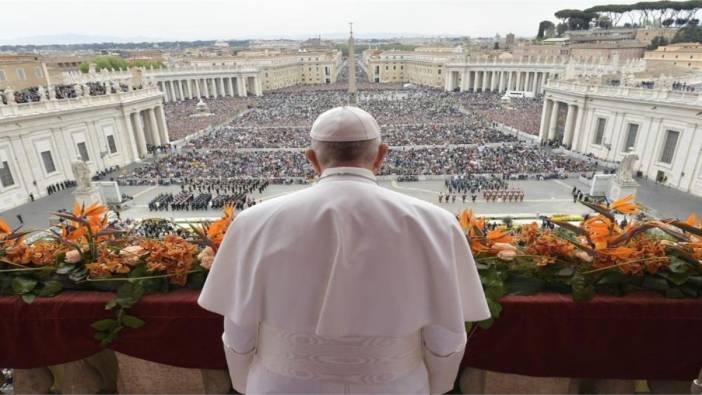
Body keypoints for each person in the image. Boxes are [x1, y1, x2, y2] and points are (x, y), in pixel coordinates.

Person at [199, 106, 490, 395]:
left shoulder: (253, 222)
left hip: (282, 385)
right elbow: (446, 335)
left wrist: (243, 381)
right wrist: (436, 384)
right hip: (395, 385)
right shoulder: (436, 224)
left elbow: (239, 331)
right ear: (381, 155)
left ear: (312, 159)